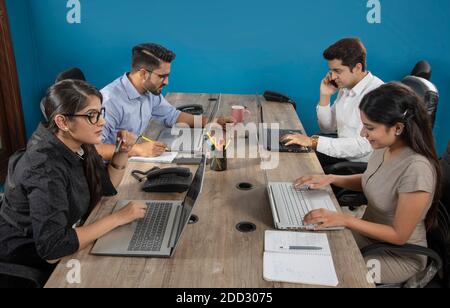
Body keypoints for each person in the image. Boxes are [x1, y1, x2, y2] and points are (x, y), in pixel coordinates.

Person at [0, 80, 148, 286]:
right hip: (28, 259)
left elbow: (105, 189)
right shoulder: (44, 168)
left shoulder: (76, 144)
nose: (102, 121)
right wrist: (119, 218)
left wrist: (123, 152)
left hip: (64, 239)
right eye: (92, 115)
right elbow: (53, 249)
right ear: (62, 122)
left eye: (100, 112)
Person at [294, 83, 441, 284]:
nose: (363, 133)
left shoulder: (417, 169)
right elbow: (371, 180)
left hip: (397, 256)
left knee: (327, 272)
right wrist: (331, 179)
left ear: (398, 128)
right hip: (368, 235)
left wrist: (344, 219)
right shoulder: (385, 147)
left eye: (370, 127)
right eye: (364, 125)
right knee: (309, 247)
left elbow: (399, 235)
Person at [99, 43, 233, 160]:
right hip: (108, 172)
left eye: (167, 76)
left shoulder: (149, 91)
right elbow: (93, 150)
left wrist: (212, 122)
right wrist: (137, 149)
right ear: (143, 74)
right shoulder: (110, 101)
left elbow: (173, 116)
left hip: (129, 158)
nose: (167, 82)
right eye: (162, 76)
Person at [282, 38, 384, 171]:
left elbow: (364, 146)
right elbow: (328, 129)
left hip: (361, 165)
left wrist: (313, 142)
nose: (333, 76)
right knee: (292, 154)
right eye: (331, 71)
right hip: (342, 153)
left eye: (338, 71)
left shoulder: (378, 94)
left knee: (300, 166)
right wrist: (325, 95)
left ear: (358, 67)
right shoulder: (346, 88)